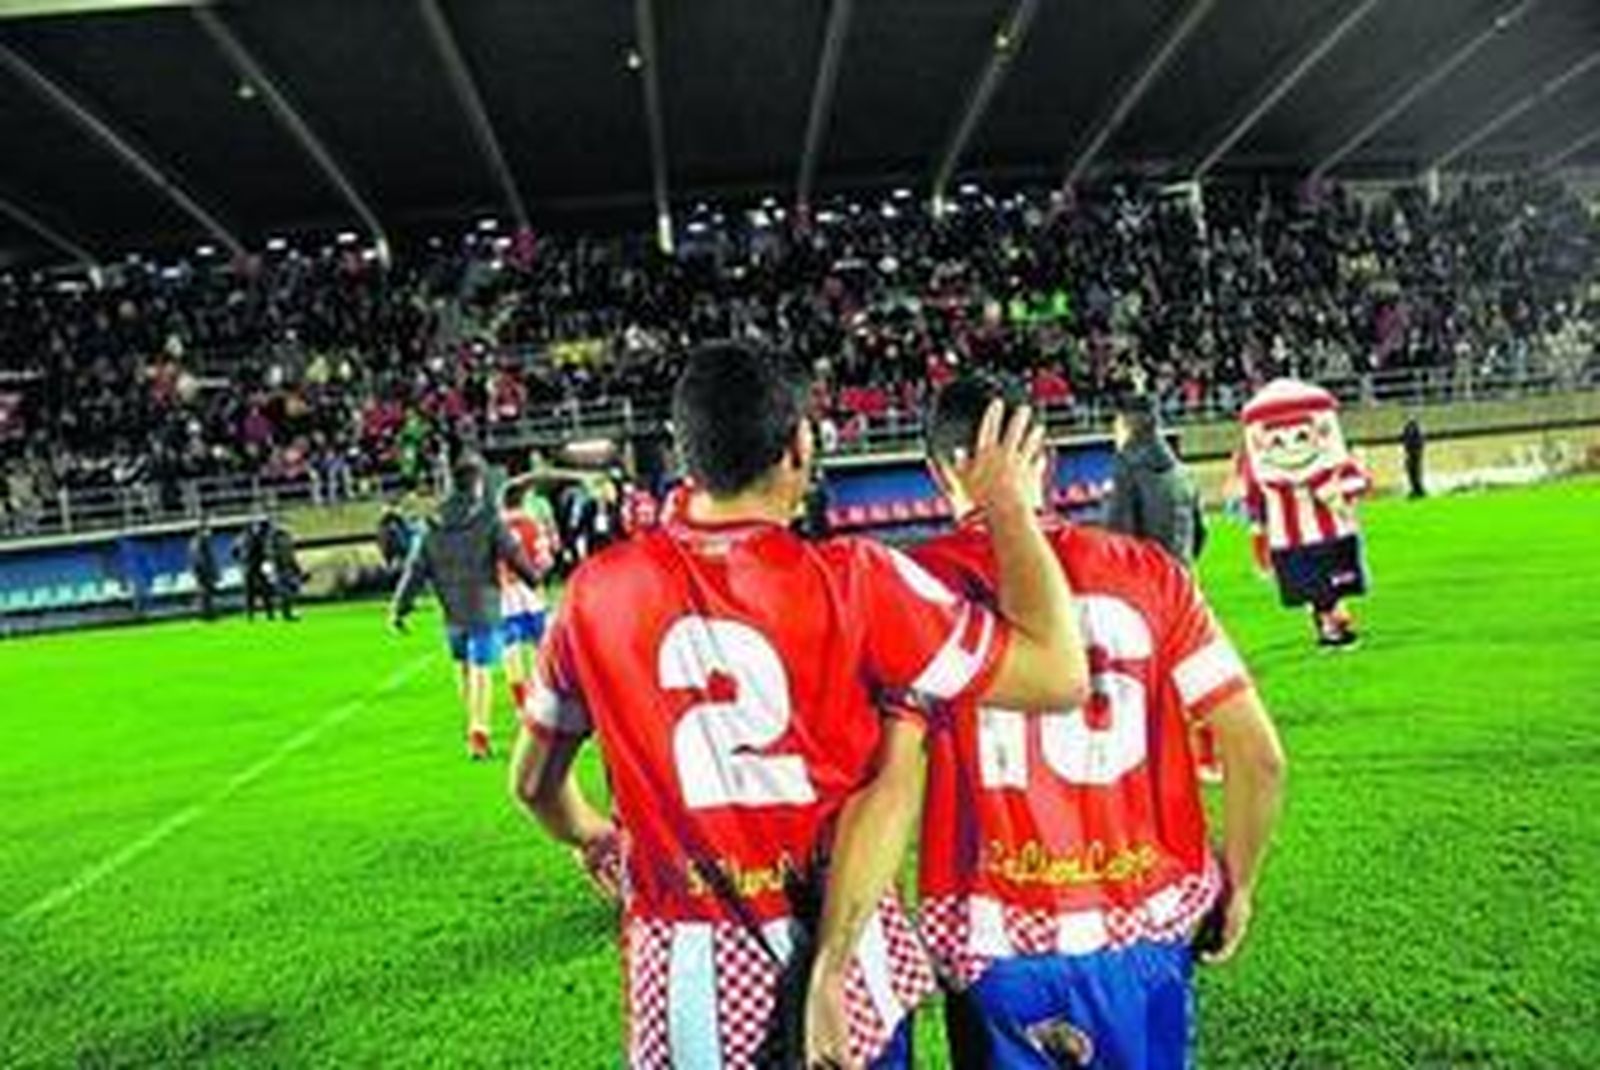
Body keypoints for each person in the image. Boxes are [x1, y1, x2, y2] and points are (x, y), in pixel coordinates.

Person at [508, 342, 1089, 1069]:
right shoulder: (857, 580)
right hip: (843, 976)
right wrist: (1007, 506)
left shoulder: (594, 594)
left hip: (686, 993)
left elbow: (533, 782)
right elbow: (1059, 674)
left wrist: (593, 834)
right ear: (798, 447)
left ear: (687, 456)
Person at [899, 376, 1288, 1069]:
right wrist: (1241, 885)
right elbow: (1258, 756)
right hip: (1143, 927)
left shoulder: (913, 587)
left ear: (937, 473)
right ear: (1042, 459)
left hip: (996, 940)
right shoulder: (1151, 573)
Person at [391, 453, 545, 760]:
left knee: (461, 666)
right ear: (477, 485)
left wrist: (400, 606)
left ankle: (473, 723)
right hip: (484, 607)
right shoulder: (487, 518)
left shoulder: (432, 522)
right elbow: (512, 553)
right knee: (482, 670)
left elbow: (416, 568)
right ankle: (479, 733)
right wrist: (533, 579)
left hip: (451, 610)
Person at [1105, 393, 1205, 568]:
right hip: (1182, 578)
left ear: (1127, 428)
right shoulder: (1183, 472)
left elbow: (1120, 538)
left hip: (1147, 582)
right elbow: (1200, 534)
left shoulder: (1128, 471)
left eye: (1116, 429)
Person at [497, 474, 558, 717]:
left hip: (504, 594)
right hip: (531, 592)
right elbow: (545, 559)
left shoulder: (494, 528)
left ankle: (521, 703)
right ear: (523, 501)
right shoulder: (532, 524)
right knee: (539, 645)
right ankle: (541, 695)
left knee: (511, 648)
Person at [233, 519, 274, 621]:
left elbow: (234, 553)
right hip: (257, 567)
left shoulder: (238, 539)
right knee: (265, 591)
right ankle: (269, 613)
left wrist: (241, 563)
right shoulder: (257, 538)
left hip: (245, 568)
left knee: (249, 593)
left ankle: (250, 615)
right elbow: (262, 552)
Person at [268, 519, 303, 622]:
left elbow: (291, 556)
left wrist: (296, 568)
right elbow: (272, 555)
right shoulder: (273, 540)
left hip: (286, 569)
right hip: (279, 570)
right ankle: (285, 614)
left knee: (290, 592)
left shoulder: (286, 540)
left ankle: (287, 613)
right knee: (284, 593)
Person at [189, 516, 219, 621]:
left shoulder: (197, 541)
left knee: (205, 593)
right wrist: (209, 571)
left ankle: (206, 613)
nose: (210, 532)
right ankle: (206, 614)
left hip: (200, 571)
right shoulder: (199, 541)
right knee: (204, 593)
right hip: (202, 572)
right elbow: (201, 558)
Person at [1402, 415, 1426, 498]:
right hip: (1410, 454)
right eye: (1410, 424)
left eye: (1412, 423)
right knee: (1410, 472)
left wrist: (1417, 451)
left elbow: (1421, 444)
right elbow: (1405, 442)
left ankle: (1418, 489)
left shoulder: (1418, 432)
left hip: (1416, 454)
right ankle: (1414, 489)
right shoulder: (1407, 431)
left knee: (1417, 472)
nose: (1411, 426)